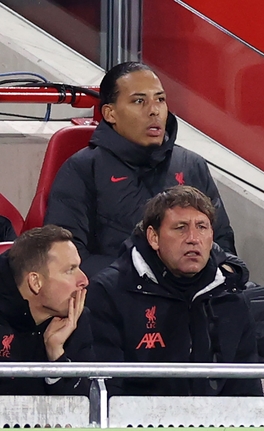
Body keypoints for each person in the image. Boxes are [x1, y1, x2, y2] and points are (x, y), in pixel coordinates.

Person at [45, 62, 236, 279]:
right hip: (119, 299)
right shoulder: (82, 169)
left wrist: (225, 274)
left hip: (195, 297)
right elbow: (67, 257)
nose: (154, 110)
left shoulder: (192, 165)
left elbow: (223, 243)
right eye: (139, 101)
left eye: (160, 100)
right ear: (110, 113)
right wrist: (145, 279)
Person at [86, 186, 261, 397]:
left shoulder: (229, 296)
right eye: (180, 228)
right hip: (136, 425)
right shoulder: (109, 293)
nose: (193, 238)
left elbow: (246, 393)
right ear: (153, 237)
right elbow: (106, 392)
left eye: (202, 227)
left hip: (216, 426)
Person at [0, 225, 92, 395]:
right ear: (35, 282)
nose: (84, 280)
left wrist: (56, 354)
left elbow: (83, 412)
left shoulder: (76, 318)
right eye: (70, 270)